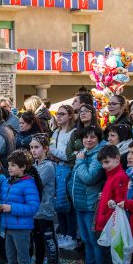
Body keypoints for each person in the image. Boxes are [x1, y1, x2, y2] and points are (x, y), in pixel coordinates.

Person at [0, 151, 40, 264]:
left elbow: (33, 207)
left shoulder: (28, 184)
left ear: (23, 167)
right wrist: (0, 207)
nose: (9, 168)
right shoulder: (8, 182)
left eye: (13, 165)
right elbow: (5, 200)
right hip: (8, 226)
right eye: (9, 165)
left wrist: (11, 208)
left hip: (21, 228)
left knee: (23, 260)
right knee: (11, 259)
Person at [95, 144, 133, 264]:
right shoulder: (111, 176)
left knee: (114, 261)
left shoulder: (119, 177)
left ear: (118, 159)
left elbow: (118, 203)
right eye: (103, 163)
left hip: (109, 225)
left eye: (107, 162)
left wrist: (104, 217)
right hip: (104, 224)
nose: (105, 166)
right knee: (109, 261)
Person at [71, 126, 106, 264]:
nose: (88, 140)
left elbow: (89, 177)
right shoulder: (84, 153)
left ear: (98, 139)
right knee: (86, 240)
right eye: (86, 137)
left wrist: (79, 161)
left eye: (92, 137)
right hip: (80, 203)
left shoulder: (98, 155)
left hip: (91, 204)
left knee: (94, 240)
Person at [29, 135, 58, 264]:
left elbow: (35, 184)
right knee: (37, 241)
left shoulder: (47, 166)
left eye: (36, 147)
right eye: (31, 147)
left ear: (45, 149)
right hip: (35, 210)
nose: (33, 150)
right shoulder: (34, 165)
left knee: (49, 241)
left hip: (45, 209)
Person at [50, 105, 76, 248]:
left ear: (70, 115)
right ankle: (64, 232)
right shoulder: (56, 132)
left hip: (67, 169)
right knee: (58, 202)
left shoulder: (73, 133)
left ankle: (71, 235)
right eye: (57, 114)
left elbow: (68, 155)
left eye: (62, 114)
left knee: (68, 203)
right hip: (57, 169)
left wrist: (53, 152)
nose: (58, 116)